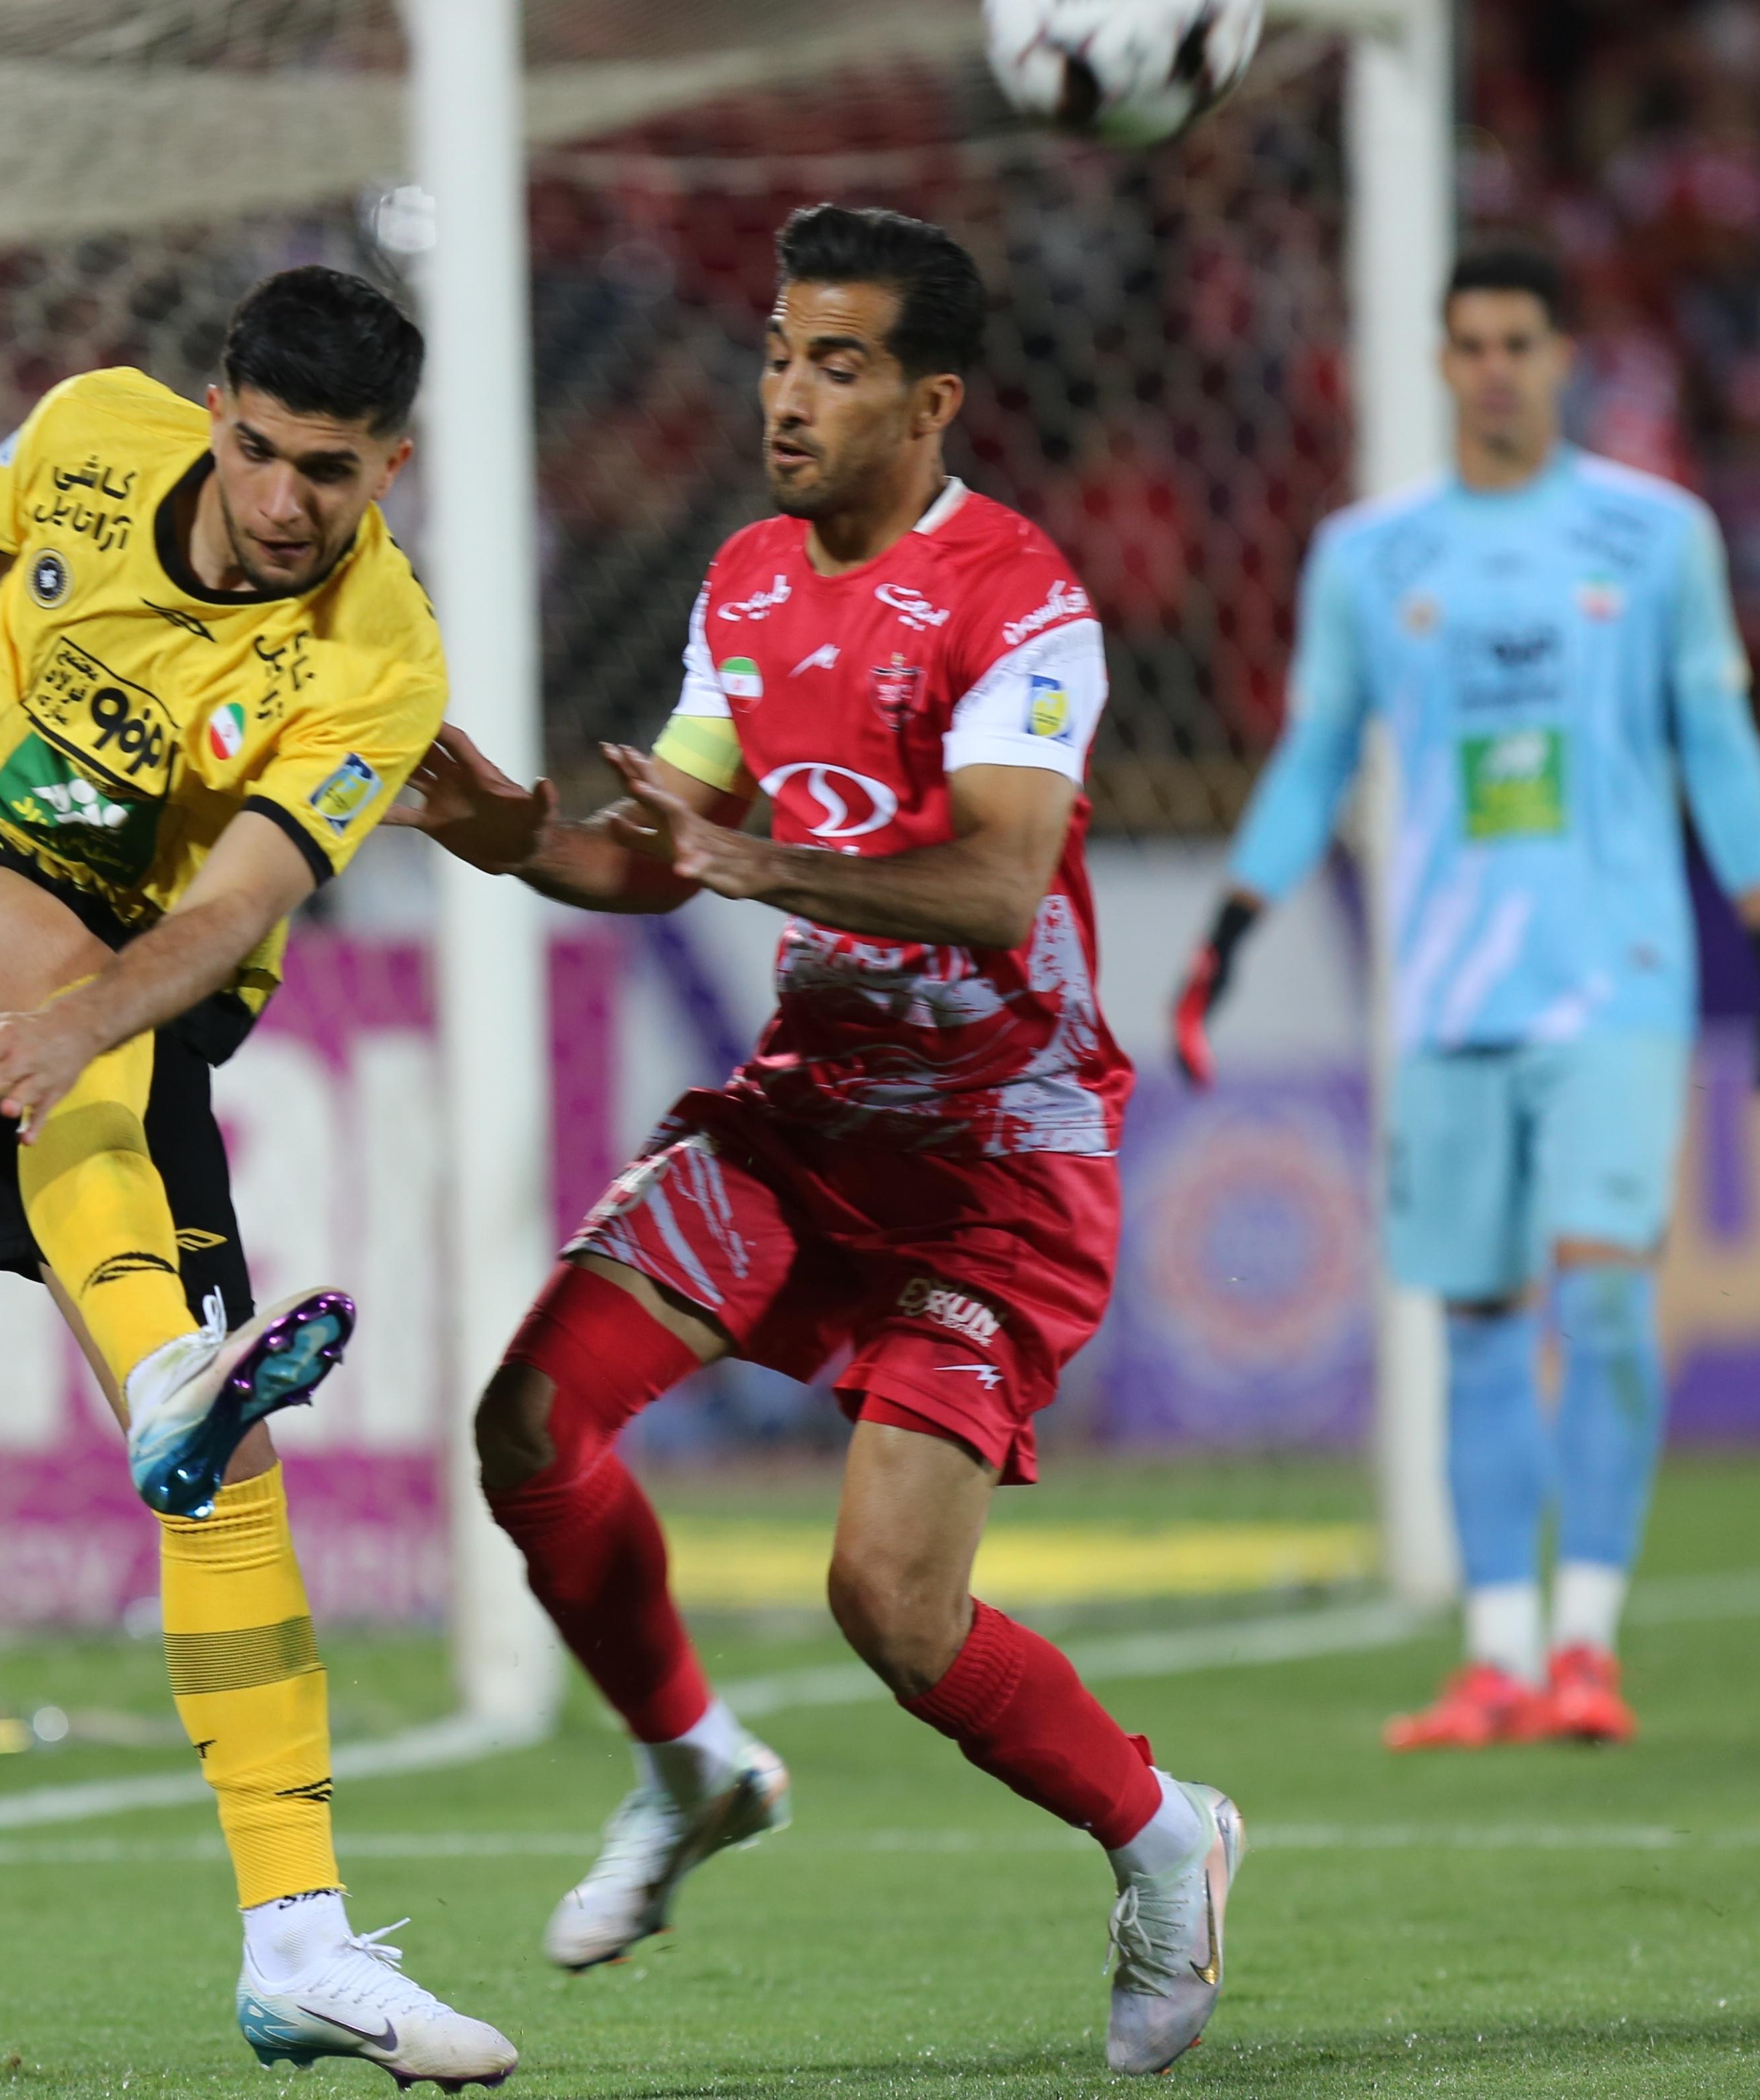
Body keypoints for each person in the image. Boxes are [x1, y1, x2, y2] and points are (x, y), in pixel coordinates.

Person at [392, 205, 1243, 2077]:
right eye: (779, 353)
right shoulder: (747, 582)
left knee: (888, 1603)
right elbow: (659, 851)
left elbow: (1001, 884)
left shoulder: (1021, 599)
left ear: (930, 403)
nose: (787, 394)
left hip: (998, 1160)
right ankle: (688, 1763)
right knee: (529, 1421)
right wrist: (513, 838)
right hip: (808, 1116)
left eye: (836, 365)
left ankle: (1160, 1832)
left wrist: (755, 860)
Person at [0, 266, 516, 2092]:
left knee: (230, 1480)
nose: (285, 498)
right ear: (214, 408)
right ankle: (167, 1373)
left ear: (390, 465)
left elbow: (236, 908)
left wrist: (84, 1021)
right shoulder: (92, 434)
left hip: (126, 1015)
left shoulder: (382, 657)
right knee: (164, 1292)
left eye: (331, 469)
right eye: (260, 449)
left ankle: (298, 1941)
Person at [1172, 246, 1760, 1752]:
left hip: (1615, 982)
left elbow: (1717, 746)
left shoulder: (1652, 535)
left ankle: (1585, 1644)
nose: (1493, 367)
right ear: (1438, 362)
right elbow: (1314, 756)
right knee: (1477, 1325)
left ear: (1561, 359)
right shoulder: (1370, 555)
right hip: (1444, 999)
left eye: (1517, 342)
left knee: (1601, 1295)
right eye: (1469, 343)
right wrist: (1227, 930)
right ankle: (1494, 1659)